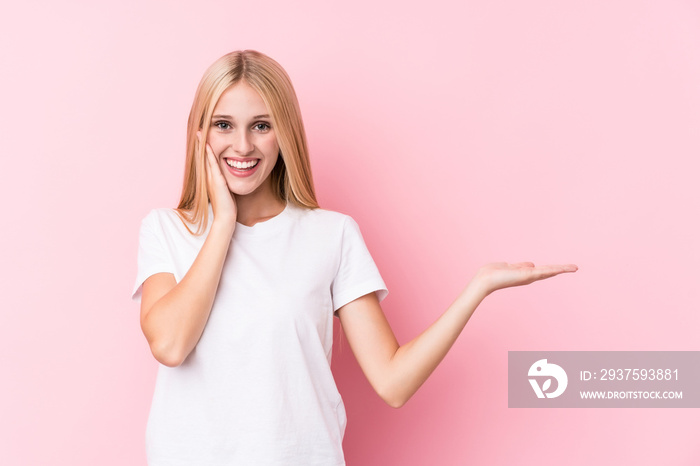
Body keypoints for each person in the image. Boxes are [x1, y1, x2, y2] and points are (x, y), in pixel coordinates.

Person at [131, 49, 577, 465]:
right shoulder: (167, 230)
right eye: (224, 125)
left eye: (262, 126)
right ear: (200, 134)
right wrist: (223, 224)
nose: (243, 145)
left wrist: (477, 288)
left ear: (284, 133)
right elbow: (170, 345)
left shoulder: (331, 235)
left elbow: (393, 382)